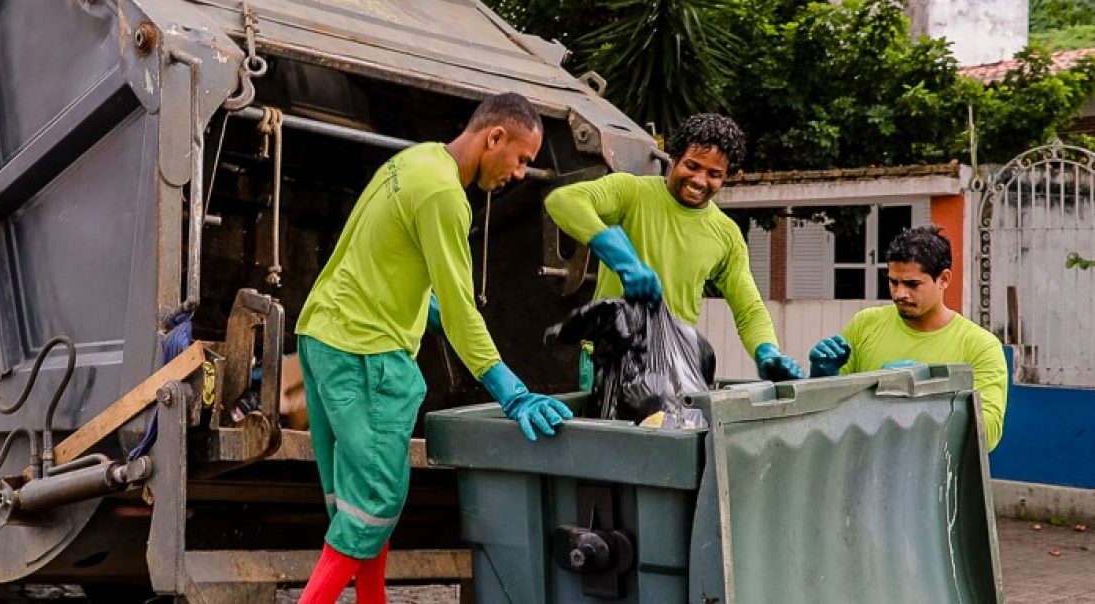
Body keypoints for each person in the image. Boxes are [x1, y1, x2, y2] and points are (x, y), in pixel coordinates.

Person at [293, 92, 572, 604]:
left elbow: (384, 261)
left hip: (323, 337)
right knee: (377, 498)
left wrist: (430, 314)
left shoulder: (414, 160)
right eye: (521, 160)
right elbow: (463, 310)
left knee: (360, 507)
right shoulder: (445, 195)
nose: (518, 174)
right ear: (495, 138)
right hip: (366, 351)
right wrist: (511, 391)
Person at [544, 114, 802, 381]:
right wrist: (623, 259)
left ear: (728, 176)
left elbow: (749, 310)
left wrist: (768, 353)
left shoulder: (726, 234)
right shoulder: (631, 192)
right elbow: (563, 201)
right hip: (608, 359)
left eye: (714, 174)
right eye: (692, 166)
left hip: (673, 366)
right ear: (674, 159)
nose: (700, 181)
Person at [808, 227, 1008, 451]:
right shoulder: (866, 324)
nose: (899, 294)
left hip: (930, 481)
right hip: (860, 472)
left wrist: (927, 394)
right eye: (893, 282)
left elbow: (987, 435)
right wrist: (821, 378)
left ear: (944, 279)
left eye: (912, 285)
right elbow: (827, 415)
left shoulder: (980, 346)